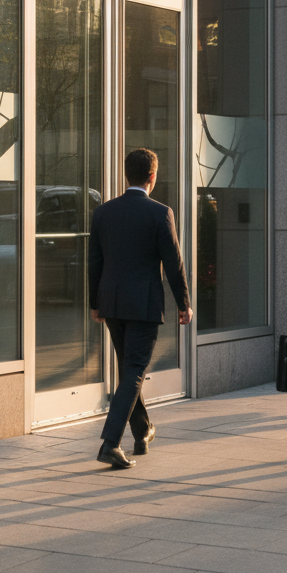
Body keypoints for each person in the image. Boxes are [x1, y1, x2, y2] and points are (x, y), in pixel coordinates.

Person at [88, 148, 192, 469]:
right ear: (152, 177)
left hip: (111, 303)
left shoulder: (103, 212)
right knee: (134, 369)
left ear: (126, 175)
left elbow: (94, 262)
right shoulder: (160, 213)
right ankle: (110, 443)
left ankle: (142, 431)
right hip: (143, 304)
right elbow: (173, 263)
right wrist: (184, 304)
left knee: (129, 370)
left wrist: (95, 303)